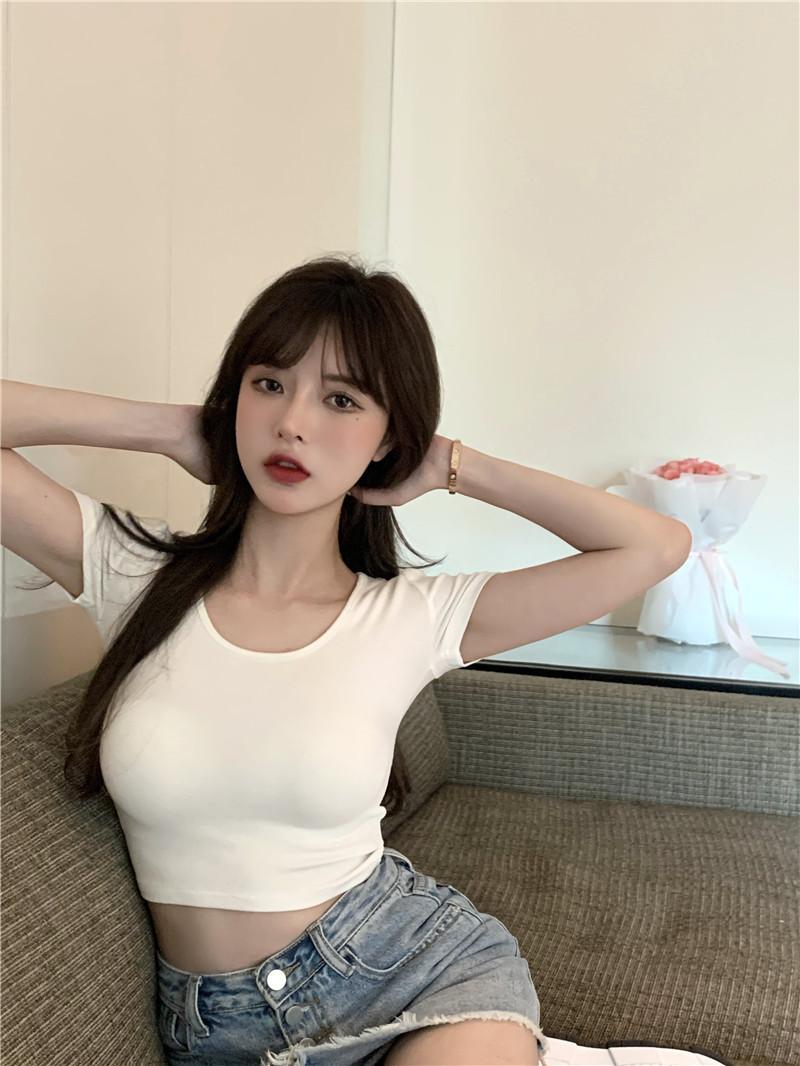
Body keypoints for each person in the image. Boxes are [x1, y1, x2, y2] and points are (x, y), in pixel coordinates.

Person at [3, 254, 720, 1066]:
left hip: (410, 974)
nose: (293, 423)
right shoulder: (132, 573)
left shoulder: (411, 616)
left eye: (341, 400)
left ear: (388, 440)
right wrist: (172, 429)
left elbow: (657, 545)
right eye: (270, 384)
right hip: (219, 1027)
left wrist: (450, 465)